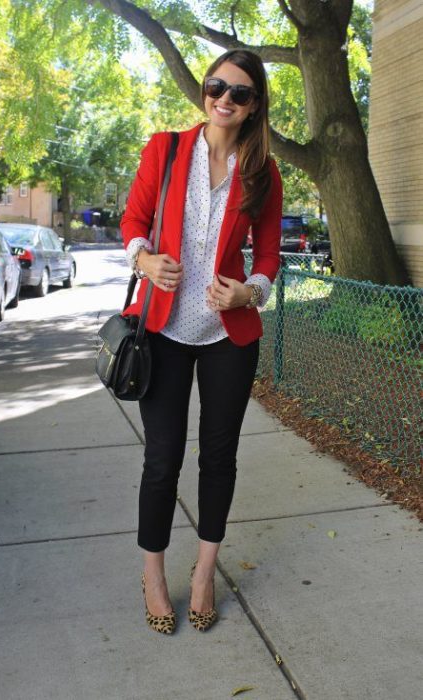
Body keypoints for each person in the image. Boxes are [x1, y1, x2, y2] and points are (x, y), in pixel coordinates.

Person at [120, 49, 283, 634]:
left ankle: (204, 572)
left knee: (219, 458)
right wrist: (144, 260)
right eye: (217, 85)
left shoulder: (263, 171)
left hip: (227, 337)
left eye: (239, 92)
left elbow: (268, 254)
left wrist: (251, 292)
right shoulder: (164, 149)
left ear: (253, 105)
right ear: (205, 90)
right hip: (161, 330)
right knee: (161, 459)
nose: (224, 98)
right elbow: (133, 220)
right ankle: (155, 575)